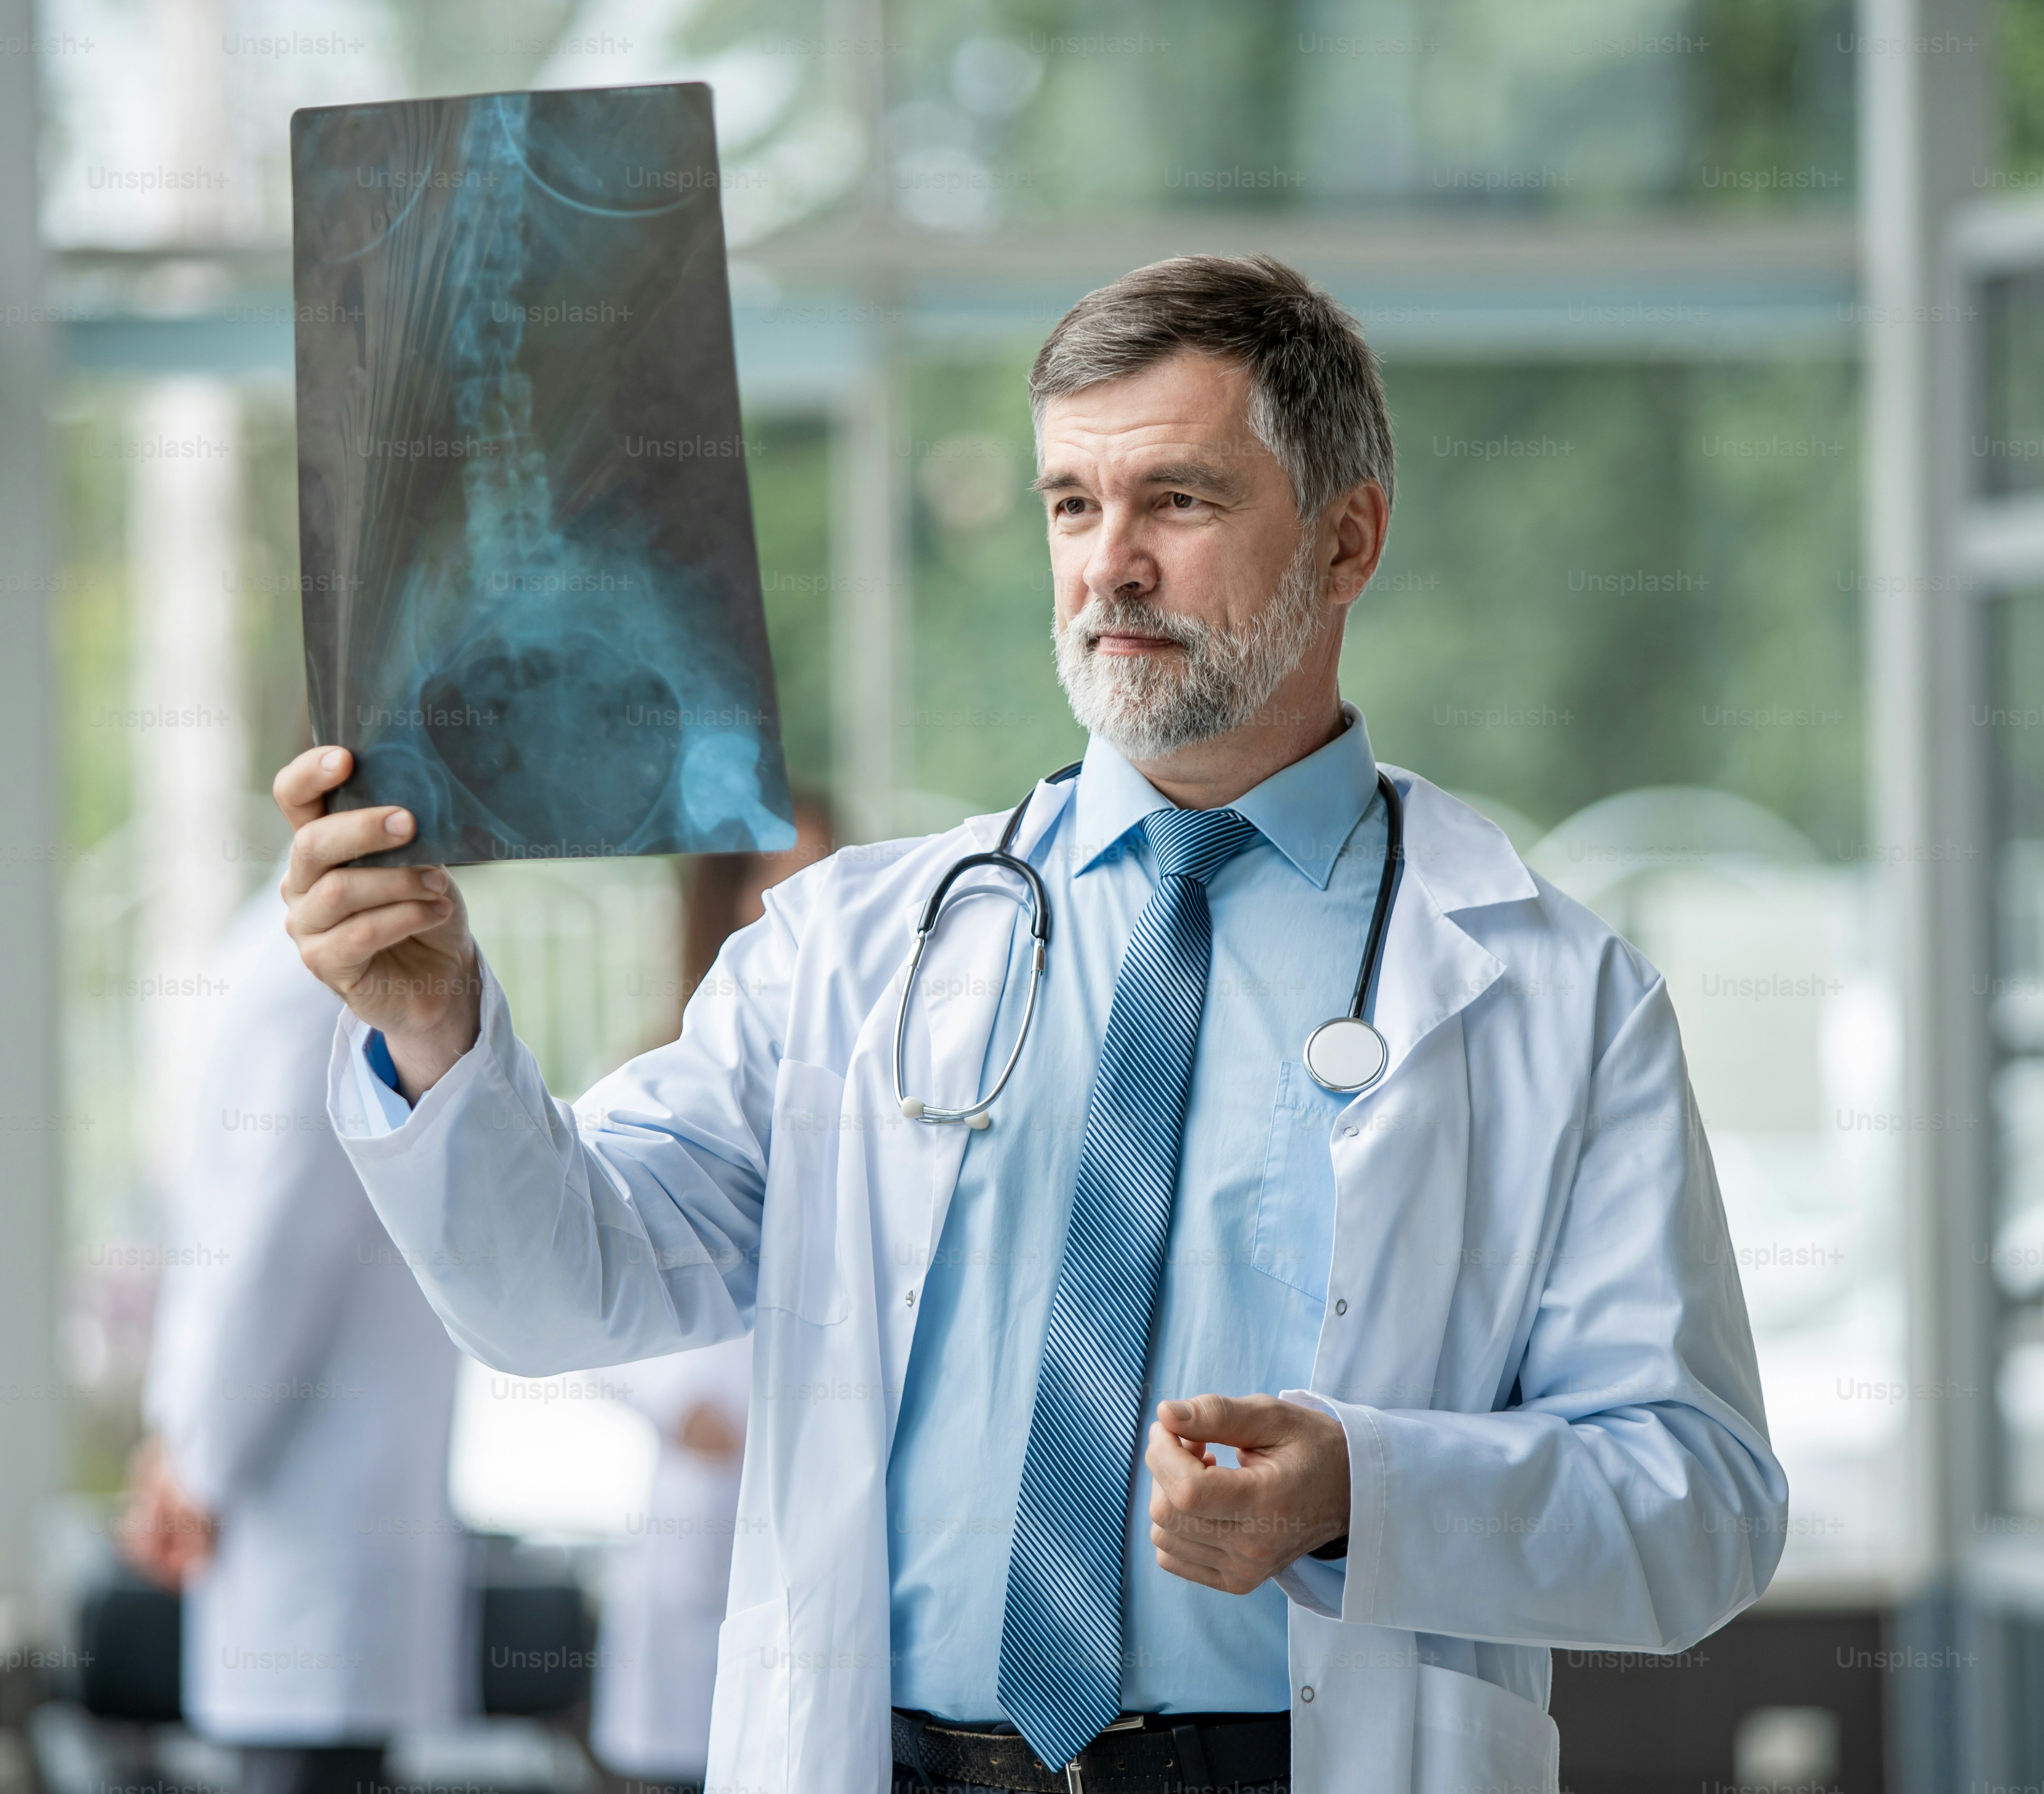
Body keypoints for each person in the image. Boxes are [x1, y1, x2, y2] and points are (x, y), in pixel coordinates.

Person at [270, 256, 1789, 1794]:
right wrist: (433, 1031)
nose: (1108, 566)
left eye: (1177, 504)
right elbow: (565, 1290)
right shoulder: (852, 952)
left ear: (1348, 538)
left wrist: (1365, 1494)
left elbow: (1703, 1504)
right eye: (1073, 505)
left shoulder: (1550, 993)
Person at [120, 885, 467, 1794]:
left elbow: (263, 1251)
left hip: (318, 1537)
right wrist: (194, 1459)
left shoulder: (314, 954)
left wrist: (191, 1453)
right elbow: (264, 1253)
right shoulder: (313, 968)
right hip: (302, 1519)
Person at [590, 800, 834, 1794]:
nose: (790, 906)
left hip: (817, 1488)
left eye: (817, 877)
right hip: (697, 1493)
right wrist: (670, 1403)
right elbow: (583, 1264)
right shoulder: (655, 1074)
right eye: (768, 879)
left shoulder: (868, 1084)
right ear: (718, 897)